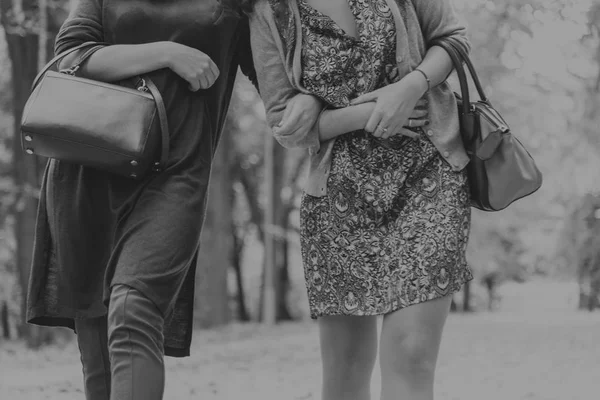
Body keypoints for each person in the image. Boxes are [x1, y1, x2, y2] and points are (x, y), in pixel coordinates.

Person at [24, 1, 281, 399]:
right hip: (87, 175)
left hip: (177, 175)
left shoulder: (237, 5)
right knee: (96, 342)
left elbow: (277, 79)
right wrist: (167, 53)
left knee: (133, 308)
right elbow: (71, 58)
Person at [249, 0, 474, 399]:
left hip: (428, 174)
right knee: (346, 369)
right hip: (339, 194)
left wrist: (411, 86)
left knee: (413, 351)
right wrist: (368, 111)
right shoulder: (270, 10)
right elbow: (285, 125)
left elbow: (454, 38)